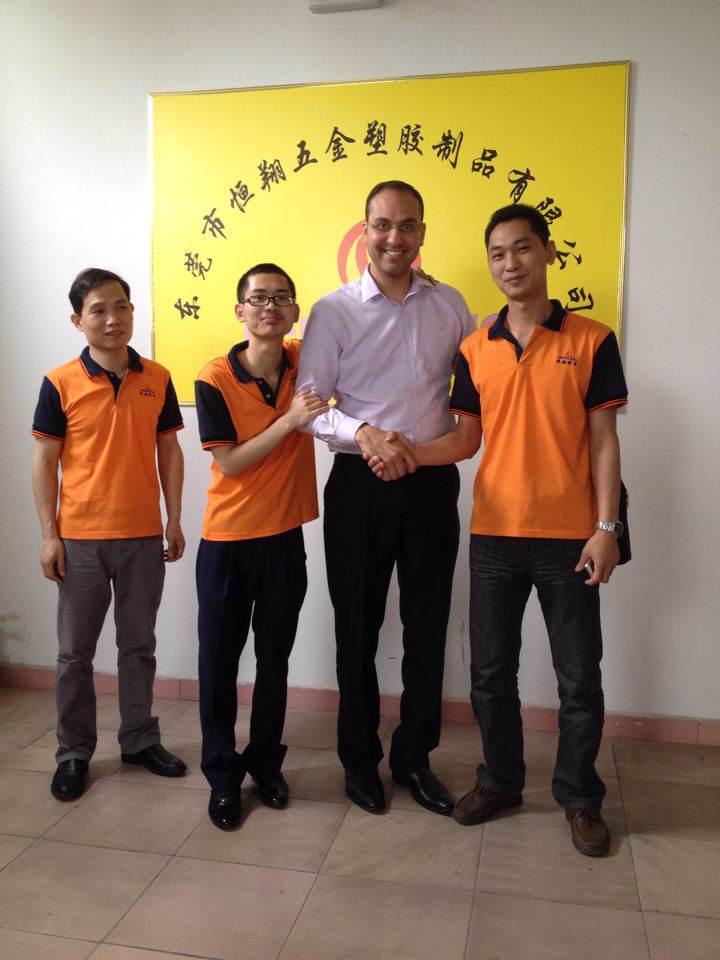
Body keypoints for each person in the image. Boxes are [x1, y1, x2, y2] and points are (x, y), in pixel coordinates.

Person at [371, 203, 628, 855]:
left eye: (522, 248)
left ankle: (579, 796)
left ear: (547, 252)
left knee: (579, 678)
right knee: (489, 673)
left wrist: (607, 528)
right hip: (493, 536)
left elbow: (604, 441)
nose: (509, 264)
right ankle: (501, 782)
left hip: (571, 536)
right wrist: (407, 451)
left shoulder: (592, 340)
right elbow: (464, 440)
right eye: (497, 254)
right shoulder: (474, 347)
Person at [296, 181, 476, 816]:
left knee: (428, 625)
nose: (394, 237)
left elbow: (475, 388)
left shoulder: (451, 305)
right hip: (359, 485)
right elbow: (310, 407)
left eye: (406, 225)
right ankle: (358, 761)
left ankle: (414, 759)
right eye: (382, 224)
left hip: (430, 481)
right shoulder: (333, 311)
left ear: (422, 232)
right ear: (364, 230)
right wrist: (364, 433)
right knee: (357, 626)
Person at [31, 267, 187, 802]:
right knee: (74, 654)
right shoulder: (59, 382)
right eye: (98, 310)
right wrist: (50, 536)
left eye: (121, 306)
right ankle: (73, 752)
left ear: (132, 312)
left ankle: (139, 740)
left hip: (142, 536)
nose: (112, 319)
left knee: (138, 646)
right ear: (78, 321)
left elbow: (169, 449)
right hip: (80, 540)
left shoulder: (157, 377)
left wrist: (174, 517)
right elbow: (44, 461)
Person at [194, 263, 326, 830]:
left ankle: (266, 764)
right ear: (240, 310)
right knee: (219, 663)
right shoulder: (214, 377)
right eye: (258, 298)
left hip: (284, 538)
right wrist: (290, 420)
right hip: (228, 540)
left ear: (294, 311)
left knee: (275, 658)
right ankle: (223, 776)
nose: (269, 306)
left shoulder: (304, 360)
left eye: (281, 298)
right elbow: (229, 462)